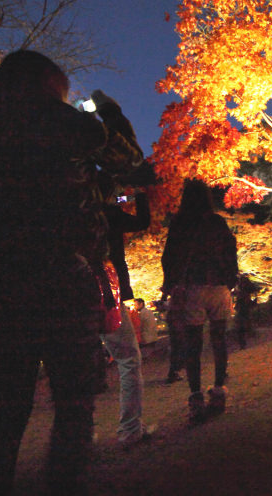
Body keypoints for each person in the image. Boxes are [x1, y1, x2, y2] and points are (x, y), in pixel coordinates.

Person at [0, 50, 144, 495]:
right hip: (60, 273)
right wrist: (109, 111)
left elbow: (69, 180)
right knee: (74, 403)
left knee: (5, 412)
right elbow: (128, 159)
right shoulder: (60, 120)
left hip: (1, 277)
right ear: (48, 83)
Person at [161, 179, 238, 425]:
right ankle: (218, 391)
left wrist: (170, 284)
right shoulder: (217, 222)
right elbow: (230, 250)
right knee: (219, 339)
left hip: (192, 287)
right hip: (218, 286)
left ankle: (195, 398)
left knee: (193, 344)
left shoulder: (180, 223)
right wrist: (231, 279)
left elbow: (169, 256)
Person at [99, 175, 155, 448]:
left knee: (76, 364)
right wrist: (139, 194)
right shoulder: (111, 212)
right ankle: (130, 428)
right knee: (129, 359)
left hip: (68, 291)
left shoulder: (66, 210)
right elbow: (142, 220)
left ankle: (79, 433)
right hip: (108, 291)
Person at [233, 273, 259, 349]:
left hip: (242, 305)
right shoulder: (246, 285)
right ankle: (247, 337)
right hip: (245, 304)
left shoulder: (240, 285)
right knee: (246, 321)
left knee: (241, 323)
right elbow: (254, 290)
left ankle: (243, 342)